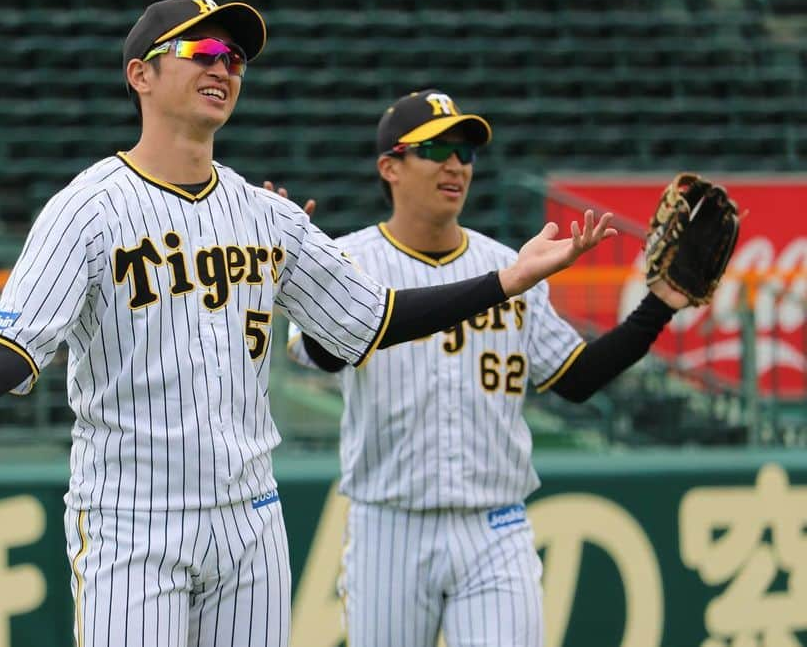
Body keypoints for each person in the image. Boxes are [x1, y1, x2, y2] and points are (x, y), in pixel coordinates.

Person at [0, 0, 615, 647]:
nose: (224, 67)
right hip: (133, 519)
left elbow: (375, 319)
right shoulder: (88, 208)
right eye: (202, 50)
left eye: (235, 57)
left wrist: (508, 281)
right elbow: (17, 338)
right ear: (140, 75)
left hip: (251, 522)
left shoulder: (269, 218)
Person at [286, 89, 690, 647]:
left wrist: (660, 303)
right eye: (437, 149)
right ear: (390, 168)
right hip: (389, 526)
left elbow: (575, 379)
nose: (456, 163)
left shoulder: (509, 267)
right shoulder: (351, 260)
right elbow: (322, 352)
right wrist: (310, 278)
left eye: (467, 152)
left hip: (494, 524)